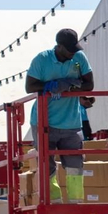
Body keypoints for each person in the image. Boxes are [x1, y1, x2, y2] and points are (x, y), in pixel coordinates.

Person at [25, 28, 95, 202]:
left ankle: (75, 202)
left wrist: (71, 86)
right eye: (70, 49)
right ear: (59, 47)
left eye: (75, 48)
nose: (74, 52)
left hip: (71, 123)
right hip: (44, 122)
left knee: (75, 165)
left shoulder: (78, 59)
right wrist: (52, 85)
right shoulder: (42, 60)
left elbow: (89, 83)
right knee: (46, 164)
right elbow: (30, 87)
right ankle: (53, 201)